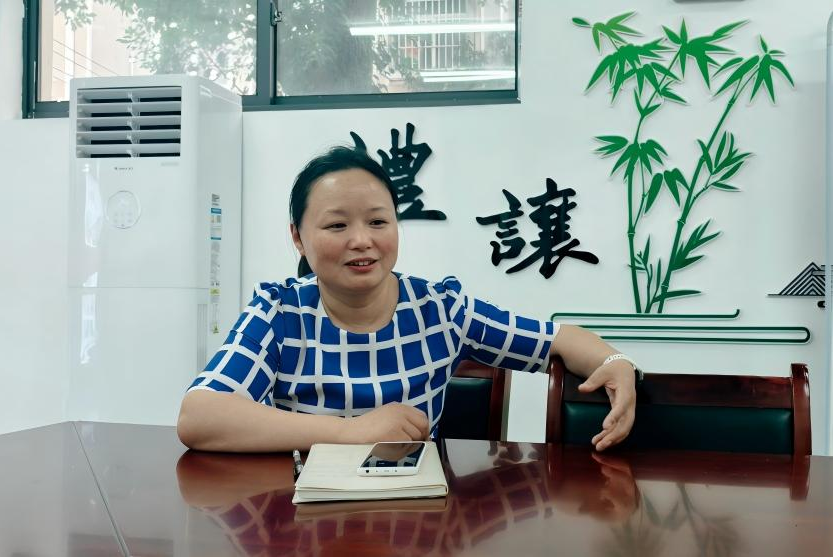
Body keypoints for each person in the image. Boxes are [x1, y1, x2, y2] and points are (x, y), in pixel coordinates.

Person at [177, 146, 641, 453]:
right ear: (298, 237)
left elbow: (557, 340)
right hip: (300, 518)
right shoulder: (279, 312)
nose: (362, 240)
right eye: (337, 225)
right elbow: (199, 416)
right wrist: (350, 433)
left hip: (415, 520)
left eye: (378, 222)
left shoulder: (440, 310)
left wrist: (615, 361)